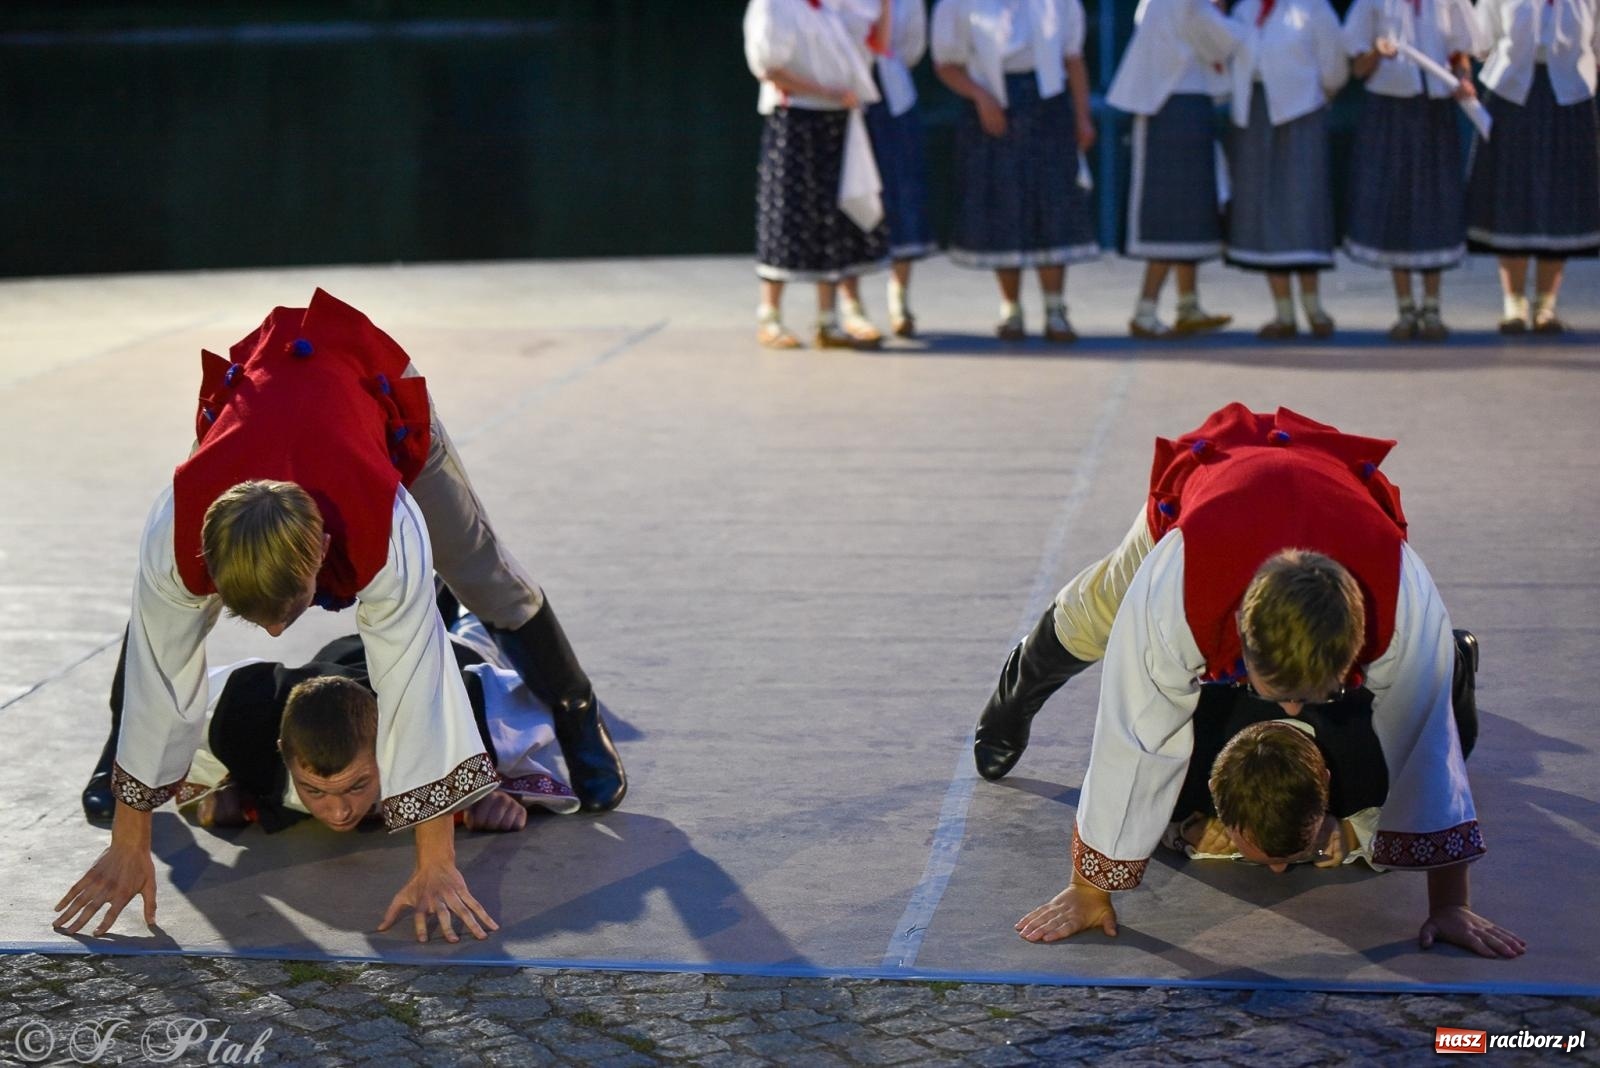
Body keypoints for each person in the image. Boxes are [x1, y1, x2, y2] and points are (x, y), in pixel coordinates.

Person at [59, 289, 623, 944]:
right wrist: (132, 840)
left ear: (324, 553)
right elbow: (161, 666)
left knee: (482, 573)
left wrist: (435, 862)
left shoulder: (388, 523)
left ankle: (577, 710)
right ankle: (114, 748)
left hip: (368, 399)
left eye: (286, 613)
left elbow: (417, 689)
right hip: (255, 408)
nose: (276, 634)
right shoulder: (177, 526)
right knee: (161, 619)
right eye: (253, 617)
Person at [974, 403, 1523, 958]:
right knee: (1096, 614)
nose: (1289, 709)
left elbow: (1428, 746)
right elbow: (1134, 739)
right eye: (1274, 691)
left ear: (1353, 646)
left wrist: (1449, 903)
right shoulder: (1178, 585)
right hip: (1212, 496)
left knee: (1427, 688)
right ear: (1241, 635)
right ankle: (1014, 695)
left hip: (1333, 497)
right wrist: (1089, 890)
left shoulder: (1400, 594)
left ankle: (1451, 657)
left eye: (1315, 695)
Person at [184, 612, 582, 835]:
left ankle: (462, 603)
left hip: (447, 659)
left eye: (357, 785)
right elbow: (174, 727)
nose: (339, 811)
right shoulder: (240, 730)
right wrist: (232, 784)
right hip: (343, 656)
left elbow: (544, 710)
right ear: (282, 753)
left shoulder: (474, 716)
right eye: (315, 790)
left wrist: (486, 787)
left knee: (477, 628)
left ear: (386, 749)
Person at [932, 0, 1099, 342]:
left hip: (1046, 104)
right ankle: (1011, 308)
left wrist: (1082, 116)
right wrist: (981, 97)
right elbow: (946, 64)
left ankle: (1055, 309)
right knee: (1003, 205)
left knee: (1050, 203)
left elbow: (1073, 58)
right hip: (993, 105)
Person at [746, 0, 892, 350]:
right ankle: (770, 315)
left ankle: (828, 319)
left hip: (835, 120)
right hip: (796, 119)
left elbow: (877, 41)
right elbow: (769, 67)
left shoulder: (829, 7)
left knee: (832, 218)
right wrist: (826, 92)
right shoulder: (774, 5)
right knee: (784, 216)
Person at [1343, 0, 1485, 341]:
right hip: (1390, 109)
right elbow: (1358, 67)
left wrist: (1463, 79)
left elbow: (1460, 54)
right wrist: (1377, 52)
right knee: (1397, 202)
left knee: (1435, 203)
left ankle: (1432, 307)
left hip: (1434, 111)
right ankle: (1405, 308)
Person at [1106, 0, 1240, 339]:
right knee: (1170, 218)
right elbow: (1227, 40)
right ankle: (1146, 310)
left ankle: (1188, 305)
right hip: (1173, 109)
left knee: (1190, 215)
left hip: (1185, 106)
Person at [1465, 0, 1600, 335]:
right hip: (1513, 95)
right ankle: (1513, 302)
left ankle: (1545, 304)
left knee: (1561, 198)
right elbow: (1479, 43)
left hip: (1569, 95)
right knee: (1511, 194)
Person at [1223, 0, 1348, 339]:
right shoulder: (1245, 10)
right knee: (1265, 210)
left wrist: (1314, 99)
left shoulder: (1314, 9)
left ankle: (1313, 306)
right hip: (1255, 115)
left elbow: (1334, 68)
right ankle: (1284, 313)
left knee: (1302, 206)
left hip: (1300, 114)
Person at [841, 0, 937, 338]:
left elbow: (911, 46)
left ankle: (899, 299)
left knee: (903, 195)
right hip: (845, 95)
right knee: (849, 195)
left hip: (893, 97)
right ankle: (852, 303)